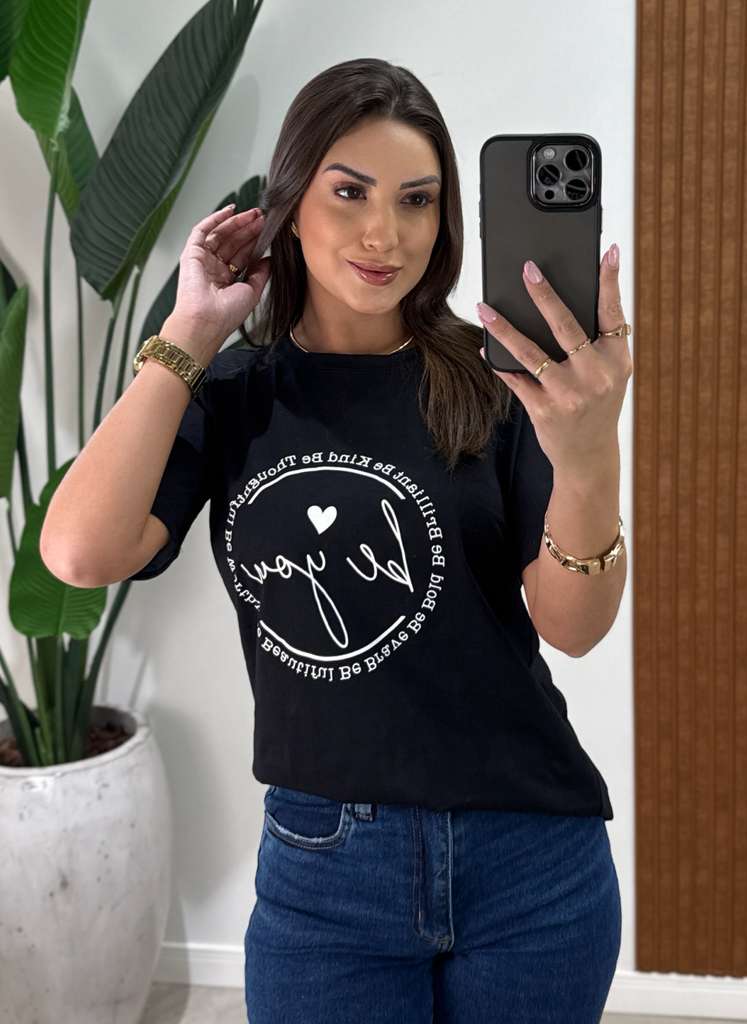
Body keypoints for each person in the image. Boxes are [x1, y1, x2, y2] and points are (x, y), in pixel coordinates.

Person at [55, 57, 624, 1024]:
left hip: (531, 861)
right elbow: (78, 554)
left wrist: (590, 458)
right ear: (289, 204)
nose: (383, 234)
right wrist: (189, 333)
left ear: (445, 219)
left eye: (416, 200)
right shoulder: (233, 393)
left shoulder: (502, 385)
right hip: (325, 877)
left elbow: (573, 628)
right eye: (349, 192)